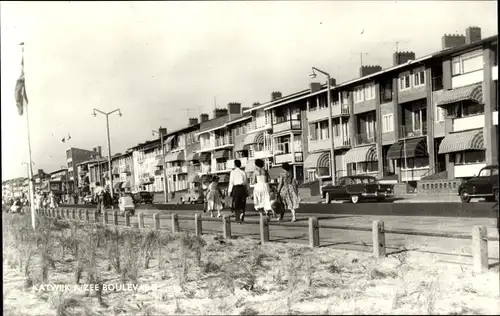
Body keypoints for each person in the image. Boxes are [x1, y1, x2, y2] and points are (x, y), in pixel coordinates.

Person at [228, 159, 250, 223]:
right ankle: (242, 215)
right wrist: (248, 191)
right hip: (242, 189)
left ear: (234, 164)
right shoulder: (243, 172)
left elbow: (231, 182)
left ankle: (238, 218)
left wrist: (229, 191)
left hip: (235, 189)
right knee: (242, 203)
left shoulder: (233, 172)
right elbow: (246, 183)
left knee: (236, 203)